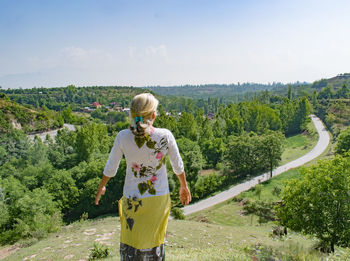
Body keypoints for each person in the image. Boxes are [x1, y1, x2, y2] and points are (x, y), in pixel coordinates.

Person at [94, 92, 191, 261]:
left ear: (132, 114)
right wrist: (184, 186)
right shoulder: (165, 135)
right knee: (155, 241)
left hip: (132, 198)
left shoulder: (123, 136)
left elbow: (110, 168)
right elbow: (178, 166)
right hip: (158, 199)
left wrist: (102, 186)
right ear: (154, 115)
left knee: (132, 242)